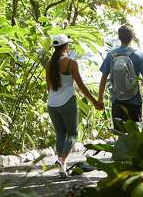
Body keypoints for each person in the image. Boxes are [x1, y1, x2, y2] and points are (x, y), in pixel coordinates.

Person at [46, 34, 102, 178]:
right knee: (72, 134)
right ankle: (62, 159)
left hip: (52, 103)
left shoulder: (49, 64)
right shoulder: (71, 63)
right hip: (68, 101)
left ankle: (62, 166)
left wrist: (55, 98)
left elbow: (49, 87)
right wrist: (94, 102)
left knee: (60, 134)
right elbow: (81, 85)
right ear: (65, 47)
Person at [97, 24, 143, 130]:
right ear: (132, 37)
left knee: (120, 135)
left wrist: (100, 99)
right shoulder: (139, 55)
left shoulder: (111, 55)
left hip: (117, 102)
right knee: (134, 135)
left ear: (119, 37)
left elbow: (103, 79)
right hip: (134, 102)